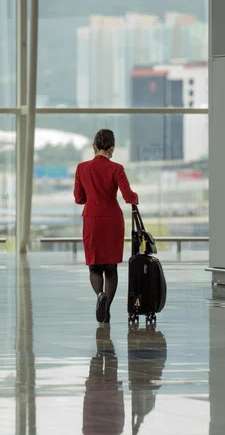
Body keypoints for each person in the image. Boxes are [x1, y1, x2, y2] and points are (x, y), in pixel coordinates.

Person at [74, 129, 139, 324]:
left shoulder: (82, 168)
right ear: (112, 148)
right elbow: (128, 196)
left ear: (94, 146)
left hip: (92, 219)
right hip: (112, 220)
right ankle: (107, 309)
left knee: (94, 267)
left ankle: (99, 295)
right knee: (111, 268)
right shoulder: (117, 168)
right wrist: (135, 198)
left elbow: (79, 199)